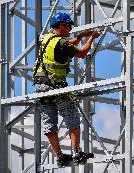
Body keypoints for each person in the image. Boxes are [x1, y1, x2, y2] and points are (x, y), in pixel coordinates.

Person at [33, 12, 100, 166]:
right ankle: (76, 153)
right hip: (56, 86)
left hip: (40, 88)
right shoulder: (61, 43)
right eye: (68, 25)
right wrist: (92, 38)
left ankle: (60, 156)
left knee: (49, 123)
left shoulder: (47, 40)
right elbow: (82, 53)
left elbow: (68, 45)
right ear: (61, 25)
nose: (70, 28)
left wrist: (81, 35)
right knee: (72, 119)